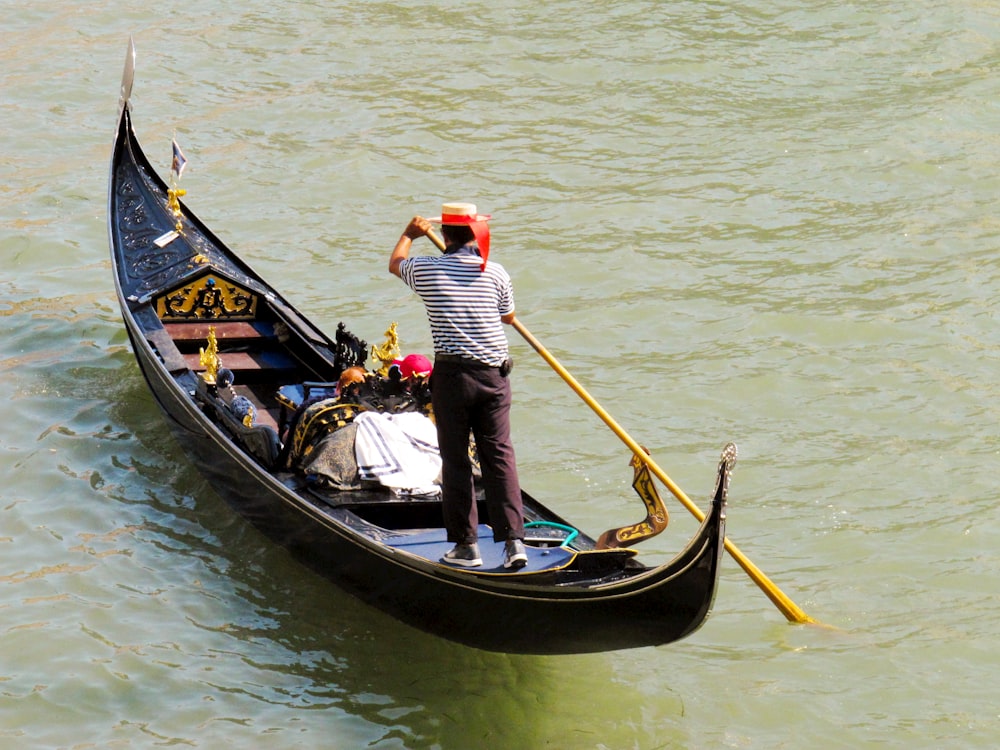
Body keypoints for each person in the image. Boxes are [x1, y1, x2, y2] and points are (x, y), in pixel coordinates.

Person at [389, 202, 527, 570]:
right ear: (475, 235)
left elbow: (395, 263)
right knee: (500, 456)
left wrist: (409, 234)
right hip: (494, 377)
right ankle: (514, 542)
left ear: (444, 235)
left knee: (456, 460)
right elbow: (507, 316)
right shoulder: (495, 272)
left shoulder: (428, 269)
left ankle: (467, 547)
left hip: (453, 379)